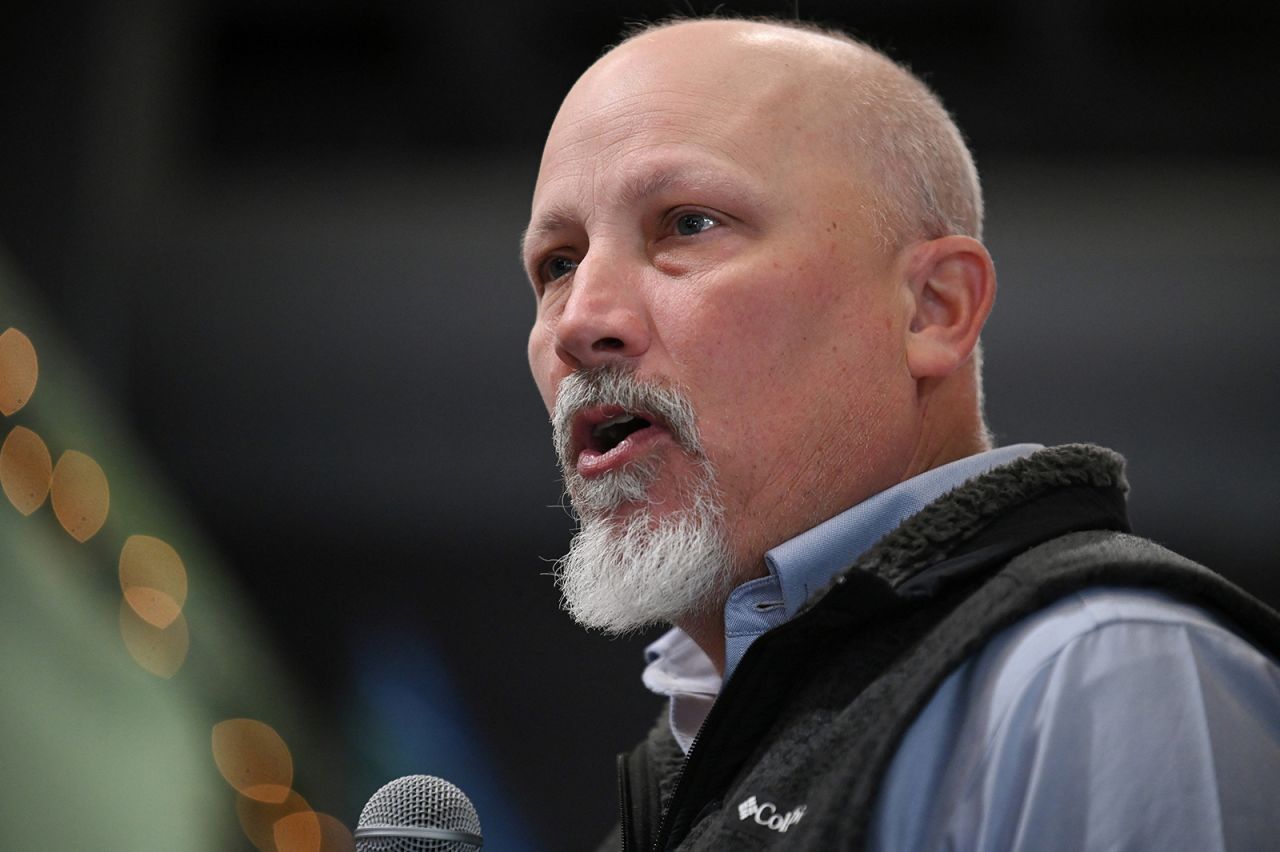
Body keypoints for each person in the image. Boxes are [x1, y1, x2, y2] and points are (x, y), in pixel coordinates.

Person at [519, 16, 1280, 851]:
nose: (581, 319)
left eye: (688, 223)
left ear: (933, 309)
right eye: (557, 263)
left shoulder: (1102, 676)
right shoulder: (690, 768)